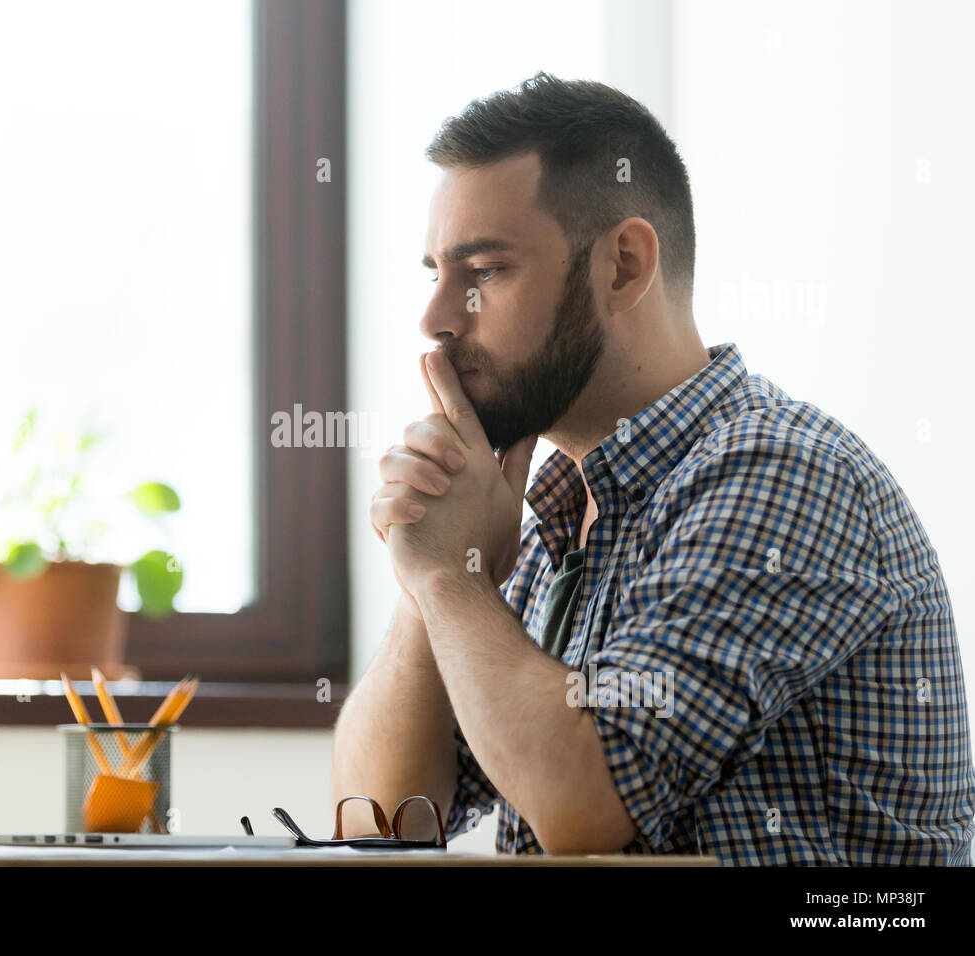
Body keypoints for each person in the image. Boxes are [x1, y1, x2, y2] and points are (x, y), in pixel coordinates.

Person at [331, 71, 975, 864]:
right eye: (436, 275)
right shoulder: (562, 521)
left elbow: (583, 808)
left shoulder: (778, 475)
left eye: (484, 273)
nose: (433, 319)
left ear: (623, 267)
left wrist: (450, 585)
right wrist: (430, 564)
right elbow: (381, 818)